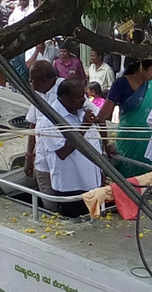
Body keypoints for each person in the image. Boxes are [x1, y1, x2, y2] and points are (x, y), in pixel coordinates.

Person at [40, 79, 102, 217]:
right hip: (72, 187)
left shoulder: (81, 109)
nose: (83, 100)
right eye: (78, 97)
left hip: (92, 182)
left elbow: (101, 123)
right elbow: (62, 153)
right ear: (64, 98)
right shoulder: (49, 120)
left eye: (84, 95)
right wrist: (84, 126)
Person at [97, 57, 152, 177]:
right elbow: (102, 117)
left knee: (150, 180)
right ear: (141, 67)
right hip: (129, 141)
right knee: (129, 181)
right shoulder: (121, 84)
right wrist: (106, 144)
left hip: (151, 140)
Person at [24, 60, 64, 211]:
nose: (30, 83)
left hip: (63, 158)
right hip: (42, 158)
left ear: (45, 80)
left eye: (31, 80)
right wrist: (29, 156)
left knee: (66, 199)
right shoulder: (37, 94)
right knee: (48, 200)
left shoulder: (66, 89)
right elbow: (32, 124)